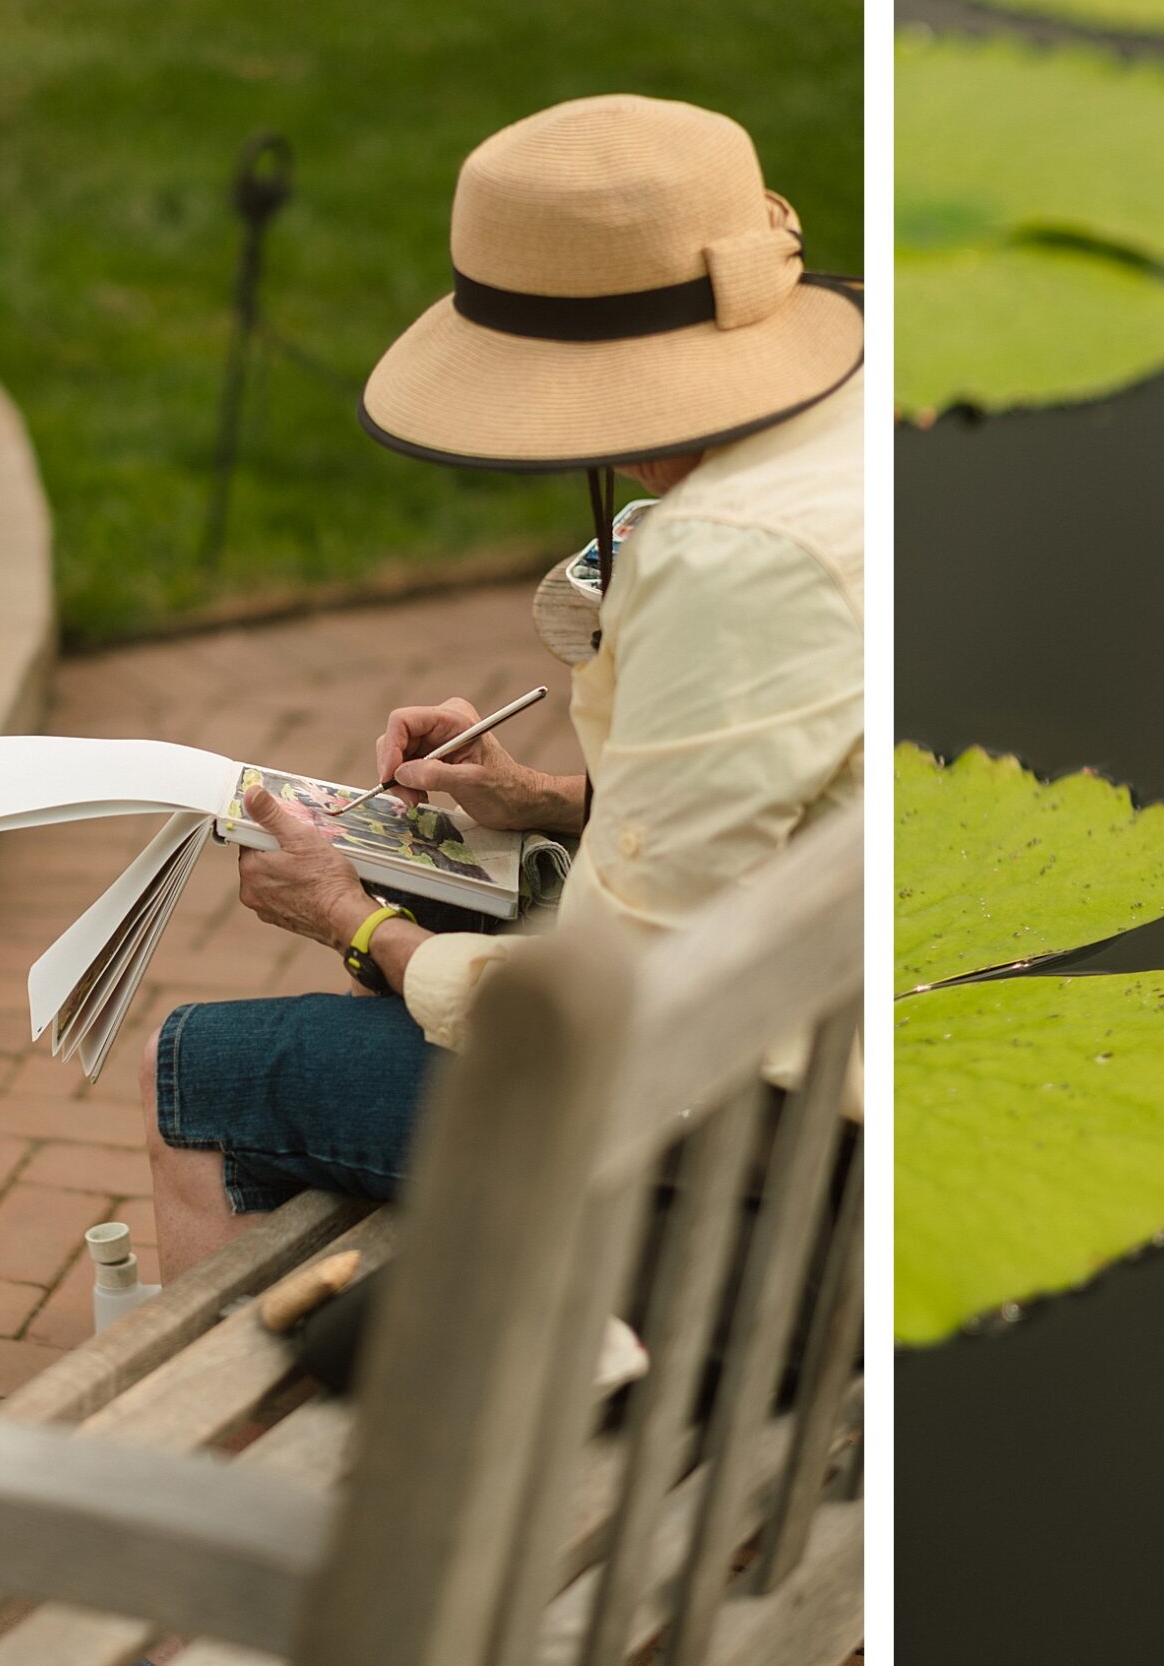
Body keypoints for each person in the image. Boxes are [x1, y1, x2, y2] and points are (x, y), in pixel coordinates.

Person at [141, 94, 863, 1280]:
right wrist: (542, 799)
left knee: (194, 1067)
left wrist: (357, 922)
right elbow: (790, 784)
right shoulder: (851, 419)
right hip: (847, 1004)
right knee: (466, 918)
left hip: (774, 1129)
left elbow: (612, 1011)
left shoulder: (728, 555)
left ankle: (279, 1401)